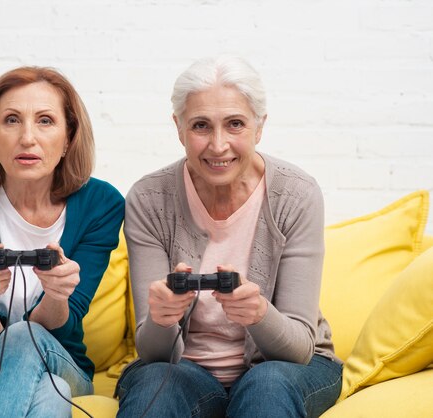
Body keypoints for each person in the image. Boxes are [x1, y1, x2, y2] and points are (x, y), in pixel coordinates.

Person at [115, 55, 342, 418]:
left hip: (288, 367)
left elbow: (300, 347)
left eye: (235, 124)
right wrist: (161, 319)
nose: (218, 146)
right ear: (178, 128)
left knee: (265, 386)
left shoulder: (297, 194)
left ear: (259, 127)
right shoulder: (148, 198)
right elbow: (152, 353)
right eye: (201, 126)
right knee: (153, 386)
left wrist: (258, 314)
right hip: (184, 370)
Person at [0, 66, 124, 418]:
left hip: (58, 358)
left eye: (45, 121)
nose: (28, 137)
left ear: (69, 137)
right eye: (12, 120)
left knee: (25, 339)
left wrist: (58, 295)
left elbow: (66, 326)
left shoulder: (102, 206)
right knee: (50, 392)